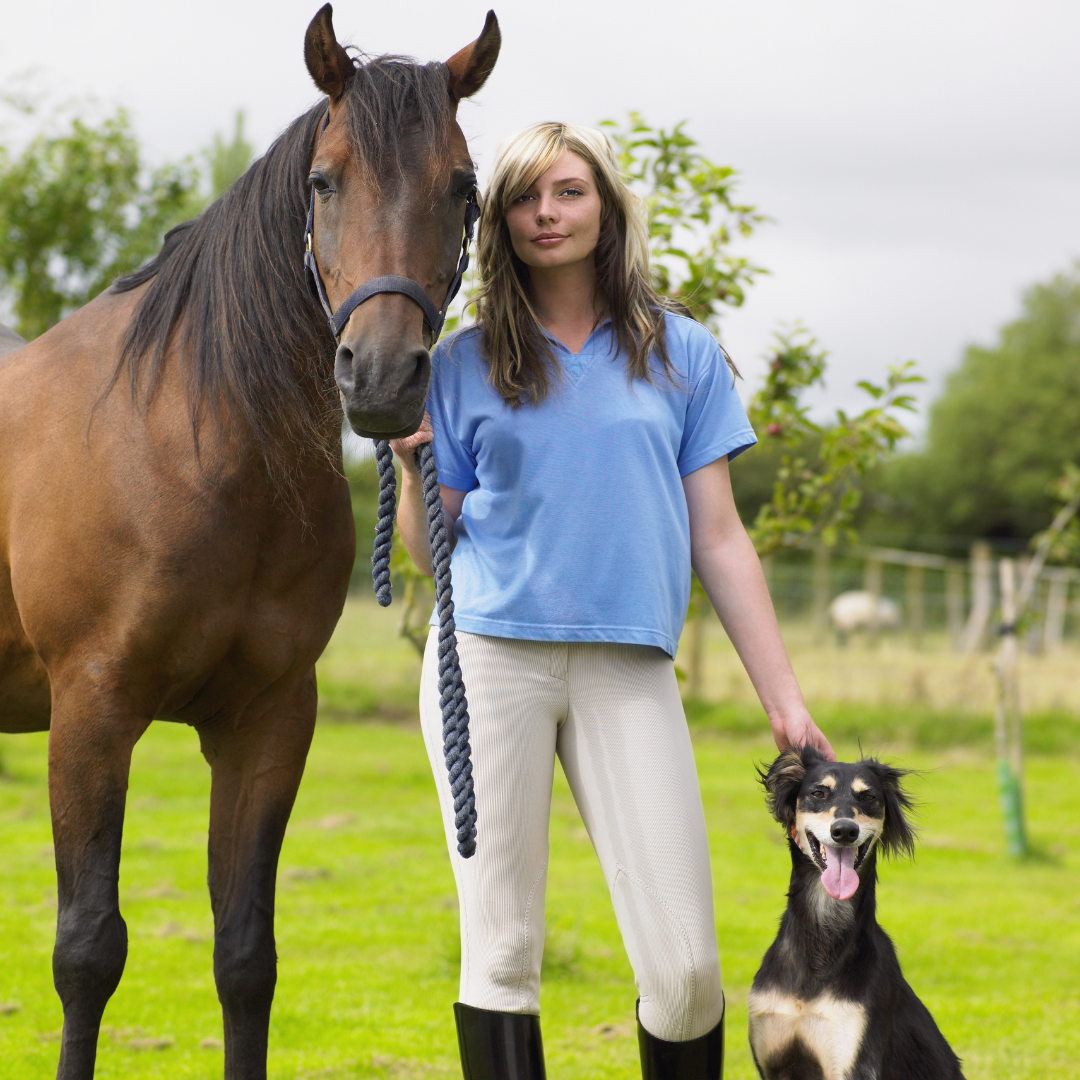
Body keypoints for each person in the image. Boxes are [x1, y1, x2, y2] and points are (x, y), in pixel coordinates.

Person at [390, 121, 834, 1080]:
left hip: (629, 668)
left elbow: (719, 537)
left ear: (606, 206)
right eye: (524, 198)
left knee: (685, 969)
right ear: (499, 221)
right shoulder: (460, 362)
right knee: (502, 950)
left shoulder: (683, 354)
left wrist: (783, 697)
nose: (546, 214)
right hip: (487, 661)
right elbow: (433, 551)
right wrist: (408, 464)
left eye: (568, 191)